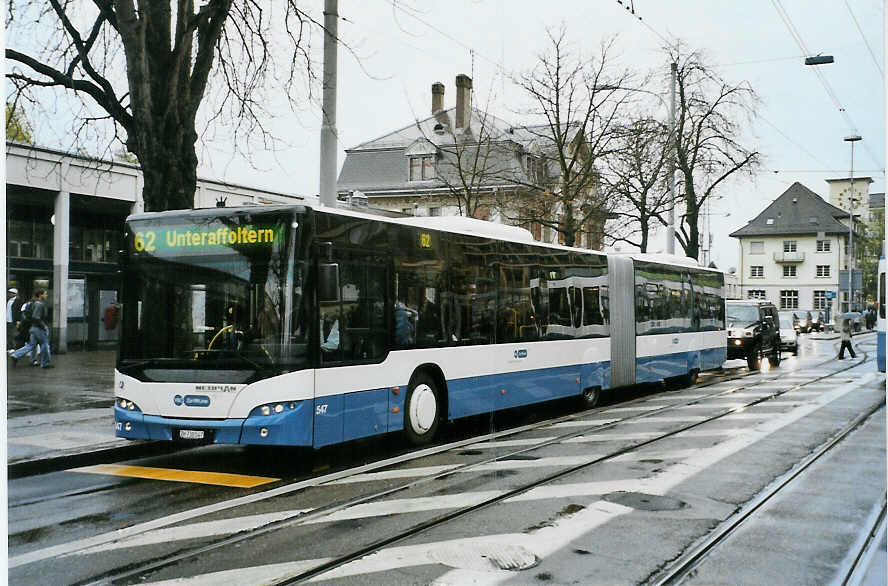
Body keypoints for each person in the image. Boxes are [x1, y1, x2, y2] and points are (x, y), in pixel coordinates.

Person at [9, 289, 52, 368]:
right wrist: (44, 326)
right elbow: (36, 317)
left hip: (33, 327)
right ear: (40, 295)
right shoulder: (39, 304)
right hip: (39, 328)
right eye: (45, 294)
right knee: (45, 344)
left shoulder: (32, 303)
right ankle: (45, 363)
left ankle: (15, 355)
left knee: (31, 345)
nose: (46, 295)